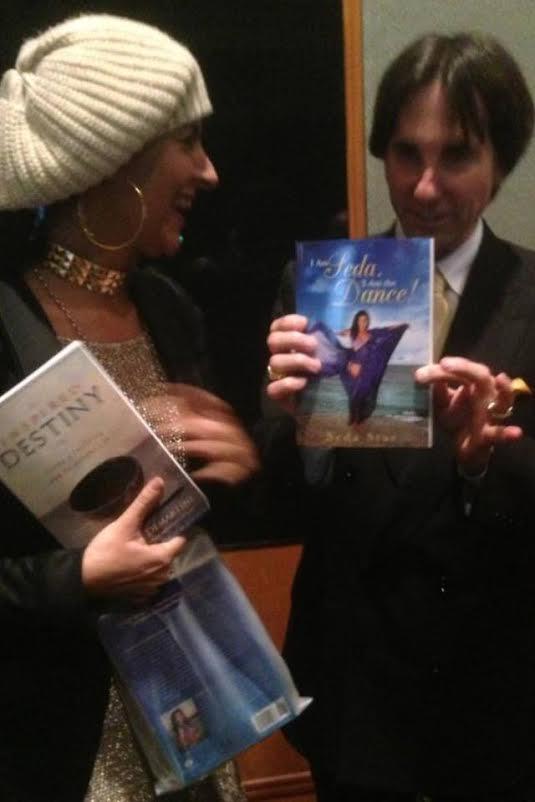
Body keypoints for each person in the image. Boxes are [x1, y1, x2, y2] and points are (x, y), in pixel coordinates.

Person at [264, 32, 535, 801]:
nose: (423, 186)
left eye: (456, 156)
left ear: (501, 161)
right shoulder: (318, 288)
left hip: (492, 687)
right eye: (405, 153)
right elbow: (280, 502)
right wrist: (301, 427)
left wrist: (479, 464)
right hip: (354, 679)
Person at [0, 14, 258, 802]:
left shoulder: (170, 310)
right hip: (58, 746)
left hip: (191, 719)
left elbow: (184, 529)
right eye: (188, 141)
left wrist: (235, 468)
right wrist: (78, 577)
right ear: (119, 157)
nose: (209, 171)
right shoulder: (5, 322)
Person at [310, 310, 409, 424]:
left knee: (362, 396)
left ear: (368, 321)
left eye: (365, 320)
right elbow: (335, 339)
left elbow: (388, 330)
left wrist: (402, 326)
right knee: (354, 397)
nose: (363, 323)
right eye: (361, 320)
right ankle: (352, 422)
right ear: (356, 322)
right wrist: (348, 363)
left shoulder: (373, 333)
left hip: (367, 371)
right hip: (352, 370)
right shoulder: (351, 332)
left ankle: (358, 422)